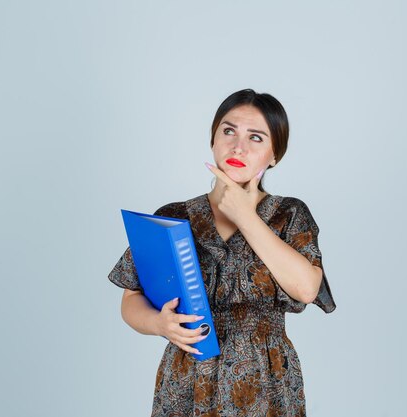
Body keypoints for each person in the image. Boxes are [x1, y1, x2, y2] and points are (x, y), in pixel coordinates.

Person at [108, 88, 336, 416]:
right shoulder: (173, 216)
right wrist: (159, 324)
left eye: (255, 137)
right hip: (188, 375)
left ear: (274, 154)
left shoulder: (289, 214)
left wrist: (244, 214)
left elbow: (306, 288)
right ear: (213, 139)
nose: (237, 146)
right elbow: (131, 299)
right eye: (228, 131)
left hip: (264, 379)